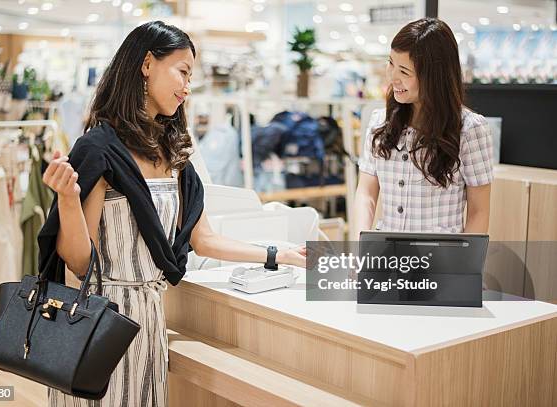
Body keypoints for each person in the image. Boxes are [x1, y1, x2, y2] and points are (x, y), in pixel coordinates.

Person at [39, 21, 306, 407]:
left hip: (149, 321)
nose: (186, 87)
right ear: (147, 63)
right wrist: (67, 199)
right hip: (99, 320)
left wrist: (276, 255)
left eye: (190, 76)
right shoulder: (98, 148)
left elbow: (204, 240)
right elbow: (81, 262)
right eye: (182, 71)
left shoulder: (175, 155)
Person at [352, 18, 493, 238]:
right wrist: (359, 246)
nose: (392, 78)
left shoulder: (469, 129)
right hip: (386, 259)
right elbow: (366, 194)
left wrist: (462, 268)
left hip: (440, 264)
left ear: (434, 77)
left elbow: (479, 212)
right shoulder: (380, 121)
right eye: (391, 64)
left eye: (404, 72)